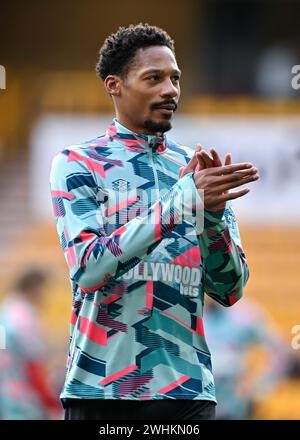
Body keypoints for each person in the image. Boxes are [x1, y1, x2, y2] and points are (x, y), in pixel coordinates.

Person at [50, 23, 259, 420]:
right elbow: (89, 268)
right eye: (154, 78)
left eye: (175, 78)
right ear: (115, 85)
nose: (171, 90)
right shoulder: (78, 163)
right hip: (101, 391)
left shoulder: (195, 170)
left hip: (190, 391)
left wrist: (210, 219)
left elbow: (231, 290)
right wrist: (183, 201)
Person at [204, 296, 295, 419]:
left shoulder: (244, 315)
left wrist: (259, 387)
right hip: (196, 404)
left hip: (233, 405)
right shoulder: (186, 313)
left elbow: (280, 351)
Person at [0, 269, 62, 419]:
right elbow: (33, 366)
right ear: (35, 288)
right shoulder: (25, 318)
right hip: (24, 401)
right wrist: (51, 403)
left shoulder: (5, 311)